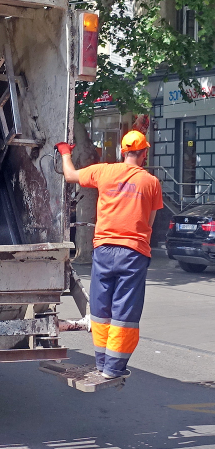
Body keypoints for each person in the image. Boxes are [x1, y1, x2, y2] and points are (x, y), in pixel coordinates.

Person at [55, 130, 163, 379]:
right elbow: (149, 222)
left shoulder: (103, 171)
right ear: (144, 153)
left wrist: (65, 152)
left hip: (103, 249)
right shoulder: (151, 183)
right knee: (124, 312)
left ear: (123, 152)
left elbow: (70, 175)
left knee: (102, 308)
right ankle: (113, 369)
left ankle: (102, 363)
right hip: (133, 252)